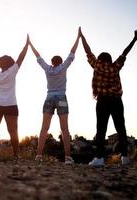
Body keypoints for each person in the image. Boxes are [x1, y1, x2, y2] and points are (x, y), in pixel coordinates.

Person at [79, 28, 137, 166]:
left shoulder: (97, 65)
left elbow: (88, 51)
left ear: (100, 59)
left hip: (102, 101)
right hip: (116, 100)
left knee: (101, 129)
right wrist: (134, 40)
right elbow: (125, 53)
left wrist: (82, 36)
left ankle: (99, 158)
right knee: (121, 128)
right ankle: (125, 157)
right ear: (110, 59)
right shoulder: (116, 66)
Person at [28, 28, 81, 164]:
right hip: (61, 98)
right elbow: (72, 52)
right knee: (64, 128)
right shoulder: (64, 67)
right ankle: (68, 157)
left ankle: (39, 155)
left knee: (44, 128)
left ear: (52, 62)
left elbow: (38, 56)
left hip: (49, 98)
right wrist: (78, 37)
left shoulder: (47, 68)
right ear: (61, 61)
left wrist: (30, 44)